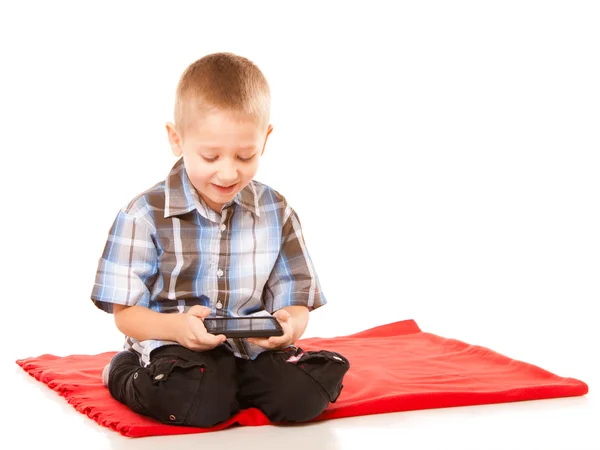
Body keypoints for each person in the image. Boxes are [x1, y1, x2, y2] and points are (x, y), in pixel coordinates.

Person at [91, 52, 349, 427]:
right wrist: (176, 327)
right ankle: (123, 371)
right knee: (196, 402)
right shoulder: (144, 214)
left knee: (305, 396)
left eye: (245, 155)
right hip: (175, 348)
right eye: (210, 156)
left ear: (265, 139)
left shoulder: (277, 211)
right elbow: (126, 314)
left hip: (252, 352)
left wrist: (289, 326)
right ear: (176, 139)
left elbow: (296, 300)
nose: (228, 172)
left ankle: (232, 384)